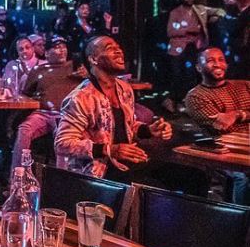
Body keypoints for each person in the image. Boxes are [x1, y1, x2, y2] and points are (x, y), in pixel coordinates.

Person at [55, 36, 173, 180]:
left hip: (126, 165)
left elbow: (125, 126)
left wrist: (148, 130)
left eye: (118, 48)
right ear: (93, 59)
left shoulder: (125, 88)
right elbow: (62, 143)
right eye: (110, 49)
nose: (119, 51)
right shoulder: (80, 98)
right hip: (98, 173)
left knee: (185, 176)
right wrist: (110, 150)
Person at [184, 48, 250, 204]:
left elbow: (230, 119)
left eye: (221, 59)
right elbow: (222, 126)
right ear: (199, 68)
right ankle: (239, 221)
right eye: (210, 61)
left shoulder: (245, 85)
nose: (217, 64)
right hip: (225, 150)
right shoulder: (195, 96)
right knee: (243, 176)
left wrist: (237, 115)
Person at [11, 37, 85, 170]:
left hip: (66, 115)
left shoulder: (75, 66)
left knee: (63, 138)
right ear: (47, 53)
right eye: (57, 47)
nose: (62, 50)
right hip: (42, 114)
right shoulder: (38, 70)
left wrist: (88, 74)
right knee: (24, 130)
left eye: (64, 47)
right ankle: (18, 177)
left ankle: (60, 182)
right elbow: (26, 95)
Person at [166, 0, 225, 111]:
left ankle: (190, 103)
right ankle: (174, 102)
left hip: (195, 47)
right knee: (177, 76)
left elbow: (220, 11)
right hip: (178, 48)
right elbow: (171, 32)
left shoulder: (200, 9)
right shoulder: (175, 12)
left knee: (192, 75)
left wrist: (215, 18)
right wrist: (188, 30)